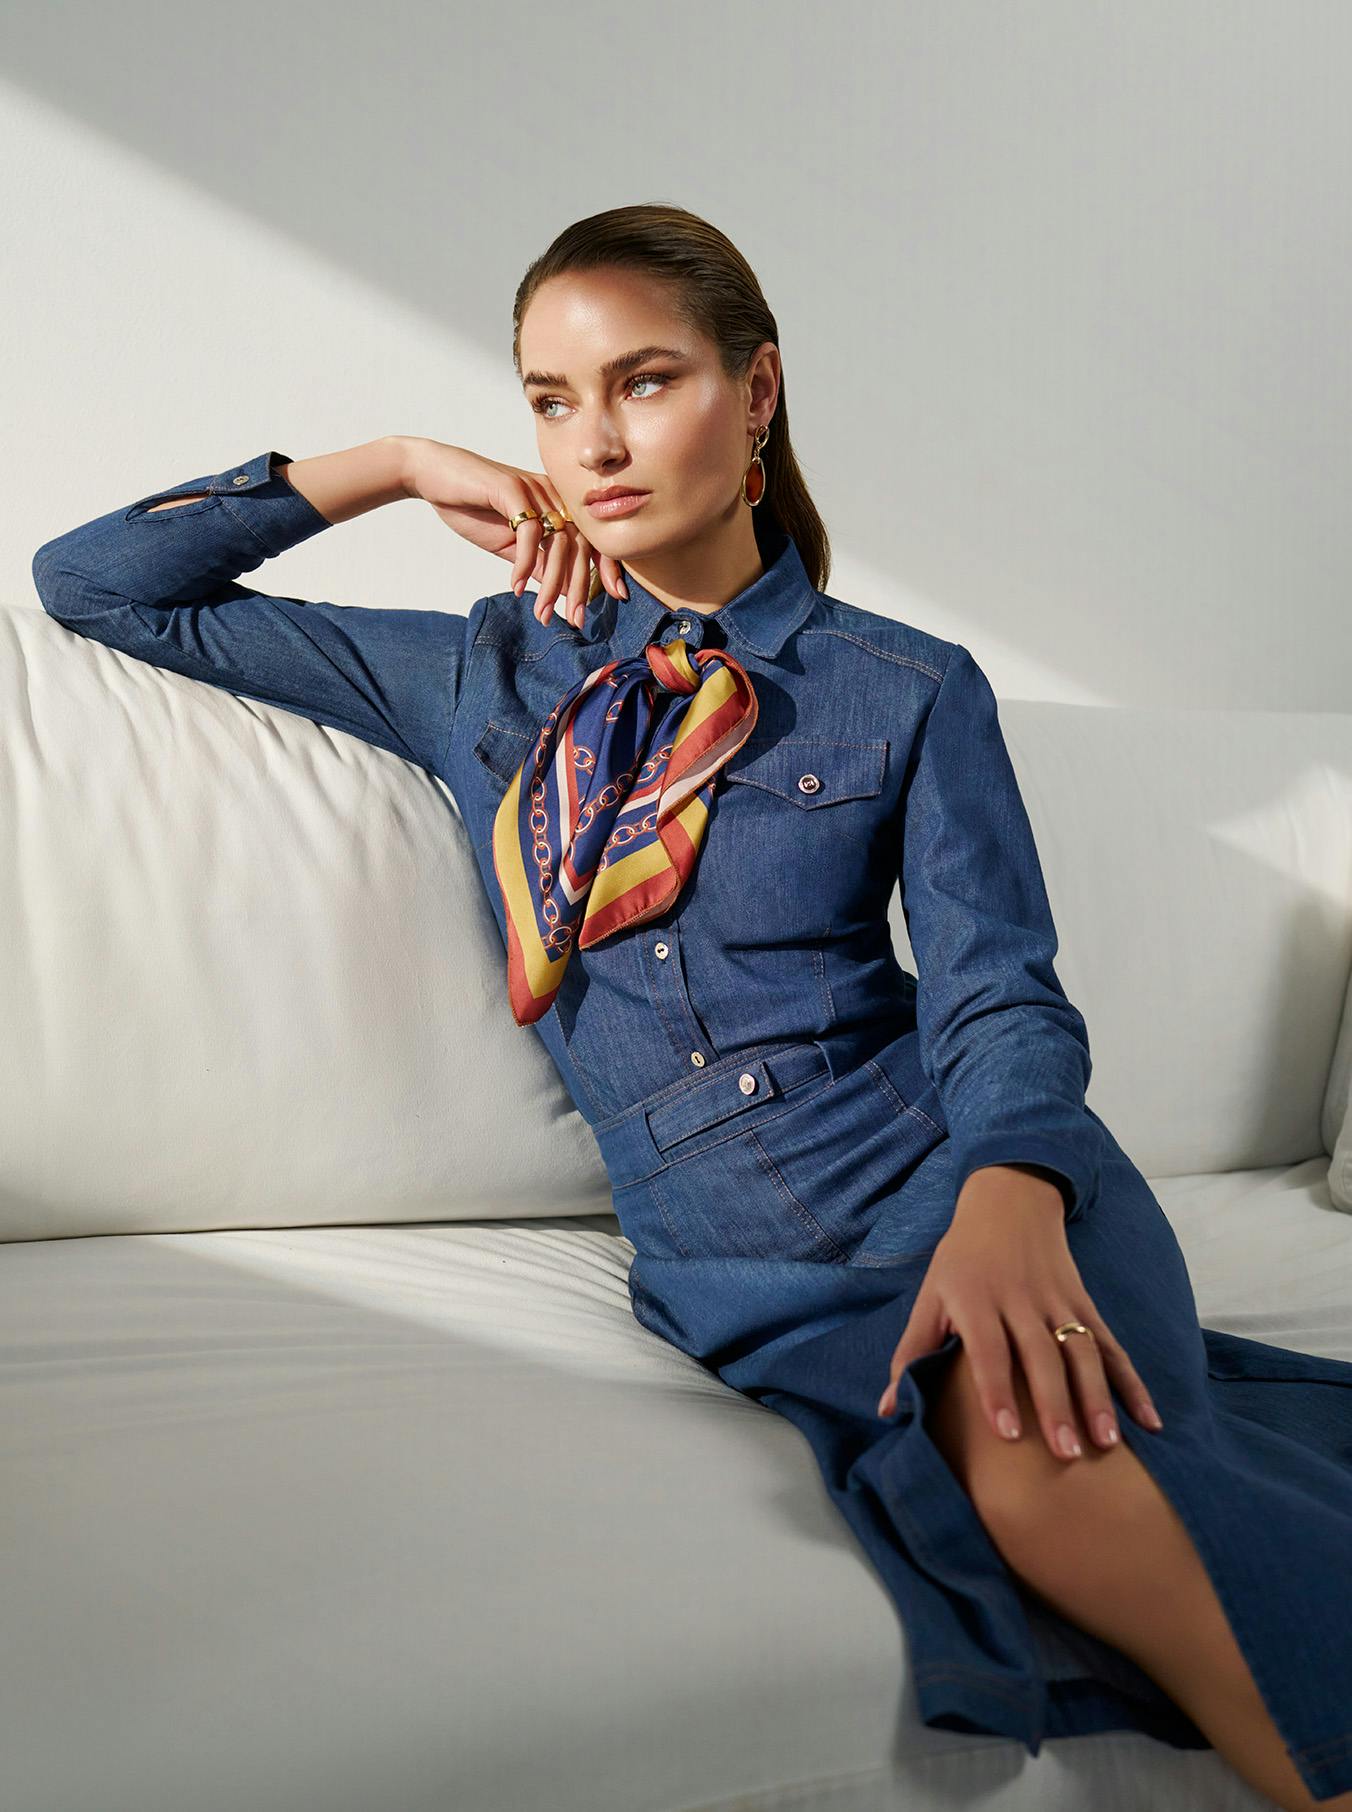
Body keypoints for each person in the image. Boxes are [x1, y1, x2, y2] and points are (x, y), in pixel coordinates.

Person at [32, 202, 1352, 1810]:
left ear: (758, 390)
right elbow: (100, 584)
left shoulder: (908, 685)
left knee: (1059, 1480)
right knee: (1071, 1484)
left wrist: (1015, 1188)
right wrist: (386, 461)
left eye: (644, 382)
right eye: (547, 398)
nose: (592, 441)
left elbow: (1000, 987)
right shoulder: (480, 679)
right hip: (742, 1257)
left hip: (968, 1179)